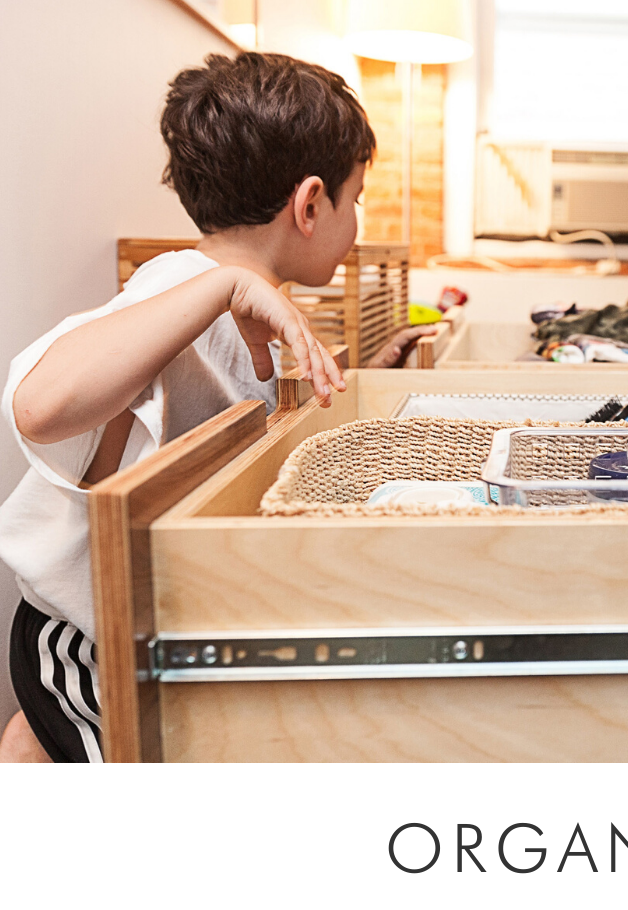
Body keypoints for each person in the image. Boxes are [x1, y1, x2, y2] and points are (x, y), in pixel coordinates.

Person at [0, 52, 425, 763]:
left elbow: (254, 420)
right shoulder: (183, 285)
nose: (357, 223)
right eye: (358, 200)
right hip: (86, 649)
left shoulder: (250, 302)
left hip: (146, 627)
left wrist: (359, 377)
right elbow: (41, 406)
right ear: (311, 204)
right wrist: (222, 288)